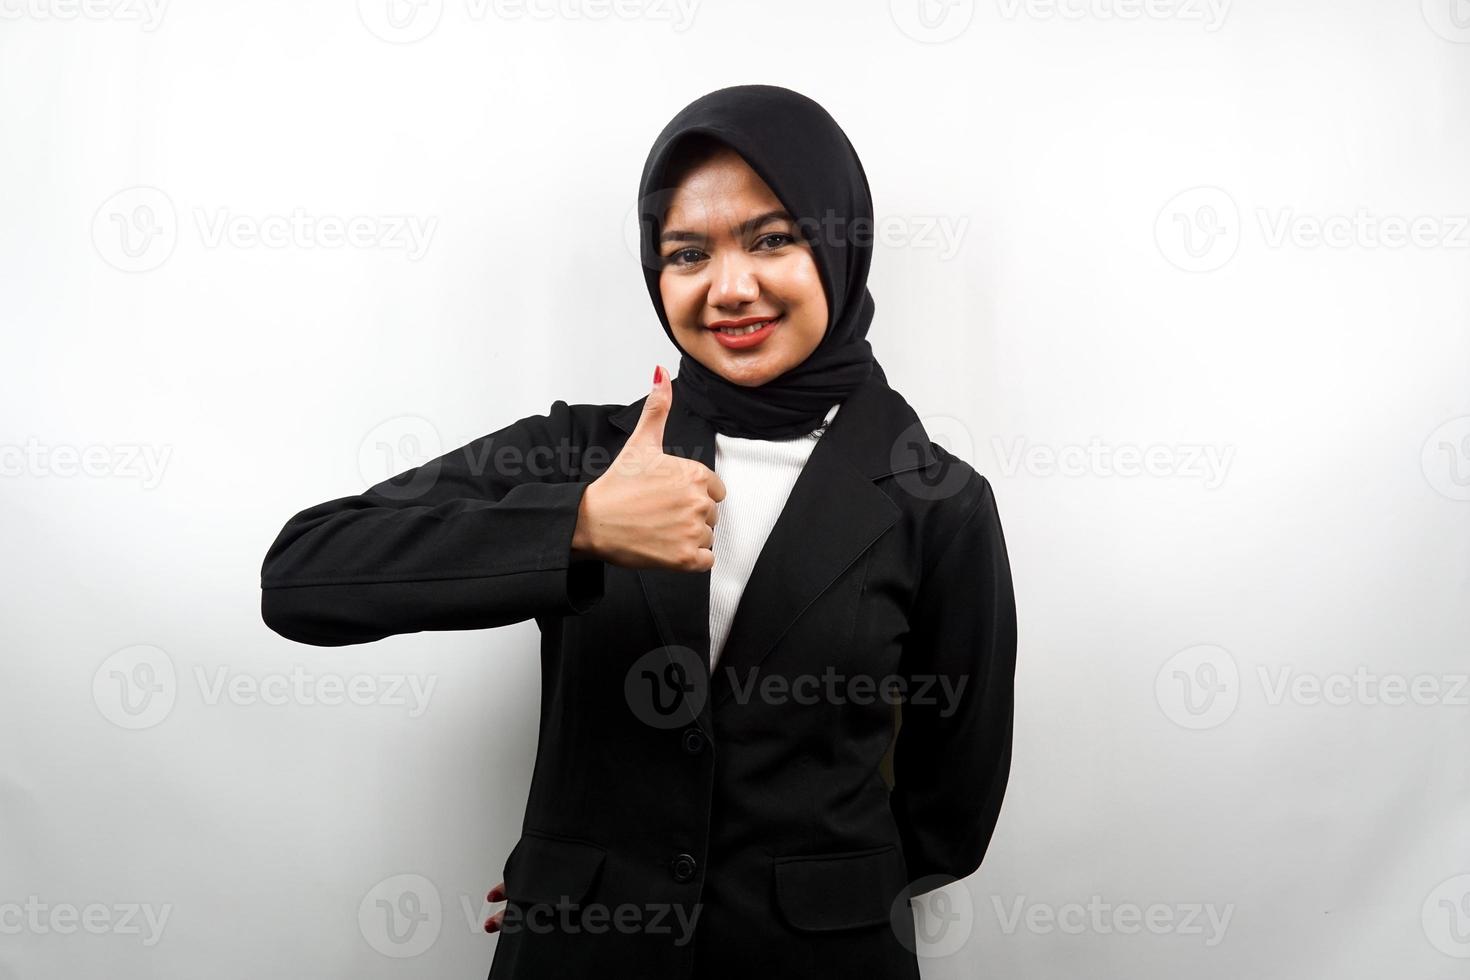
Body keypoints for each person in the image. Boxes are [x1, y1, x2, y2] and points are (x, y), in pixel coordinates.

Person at [259, 83, 1017, 980]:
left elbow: (951, 807)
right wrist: (577, 526)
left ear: (840, 245)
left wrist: (824, 889)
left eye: (772, 238)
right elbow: (302, 575)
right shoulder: (582, 454)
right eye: (687, 252)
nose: (730, 287)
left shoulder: (936, 501)